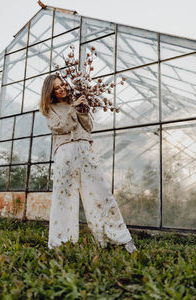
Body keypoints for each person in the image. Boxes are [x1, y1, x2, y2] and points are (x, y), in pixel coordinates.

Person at [39, 74, 138, 254]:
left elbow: (88, 127)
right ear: (50, 91)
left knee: (101, 194)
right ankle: (61, 242)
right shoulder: (49, 109)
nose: (61, 89)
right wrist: (72, 109)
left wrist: (82, 109)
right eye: (56, 88)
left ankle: (117, 237)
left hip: (85, 151)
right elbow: (61, 127)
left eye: (62, 85)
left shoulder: (74, 102)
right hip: (65, 154)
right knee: (64, 199)